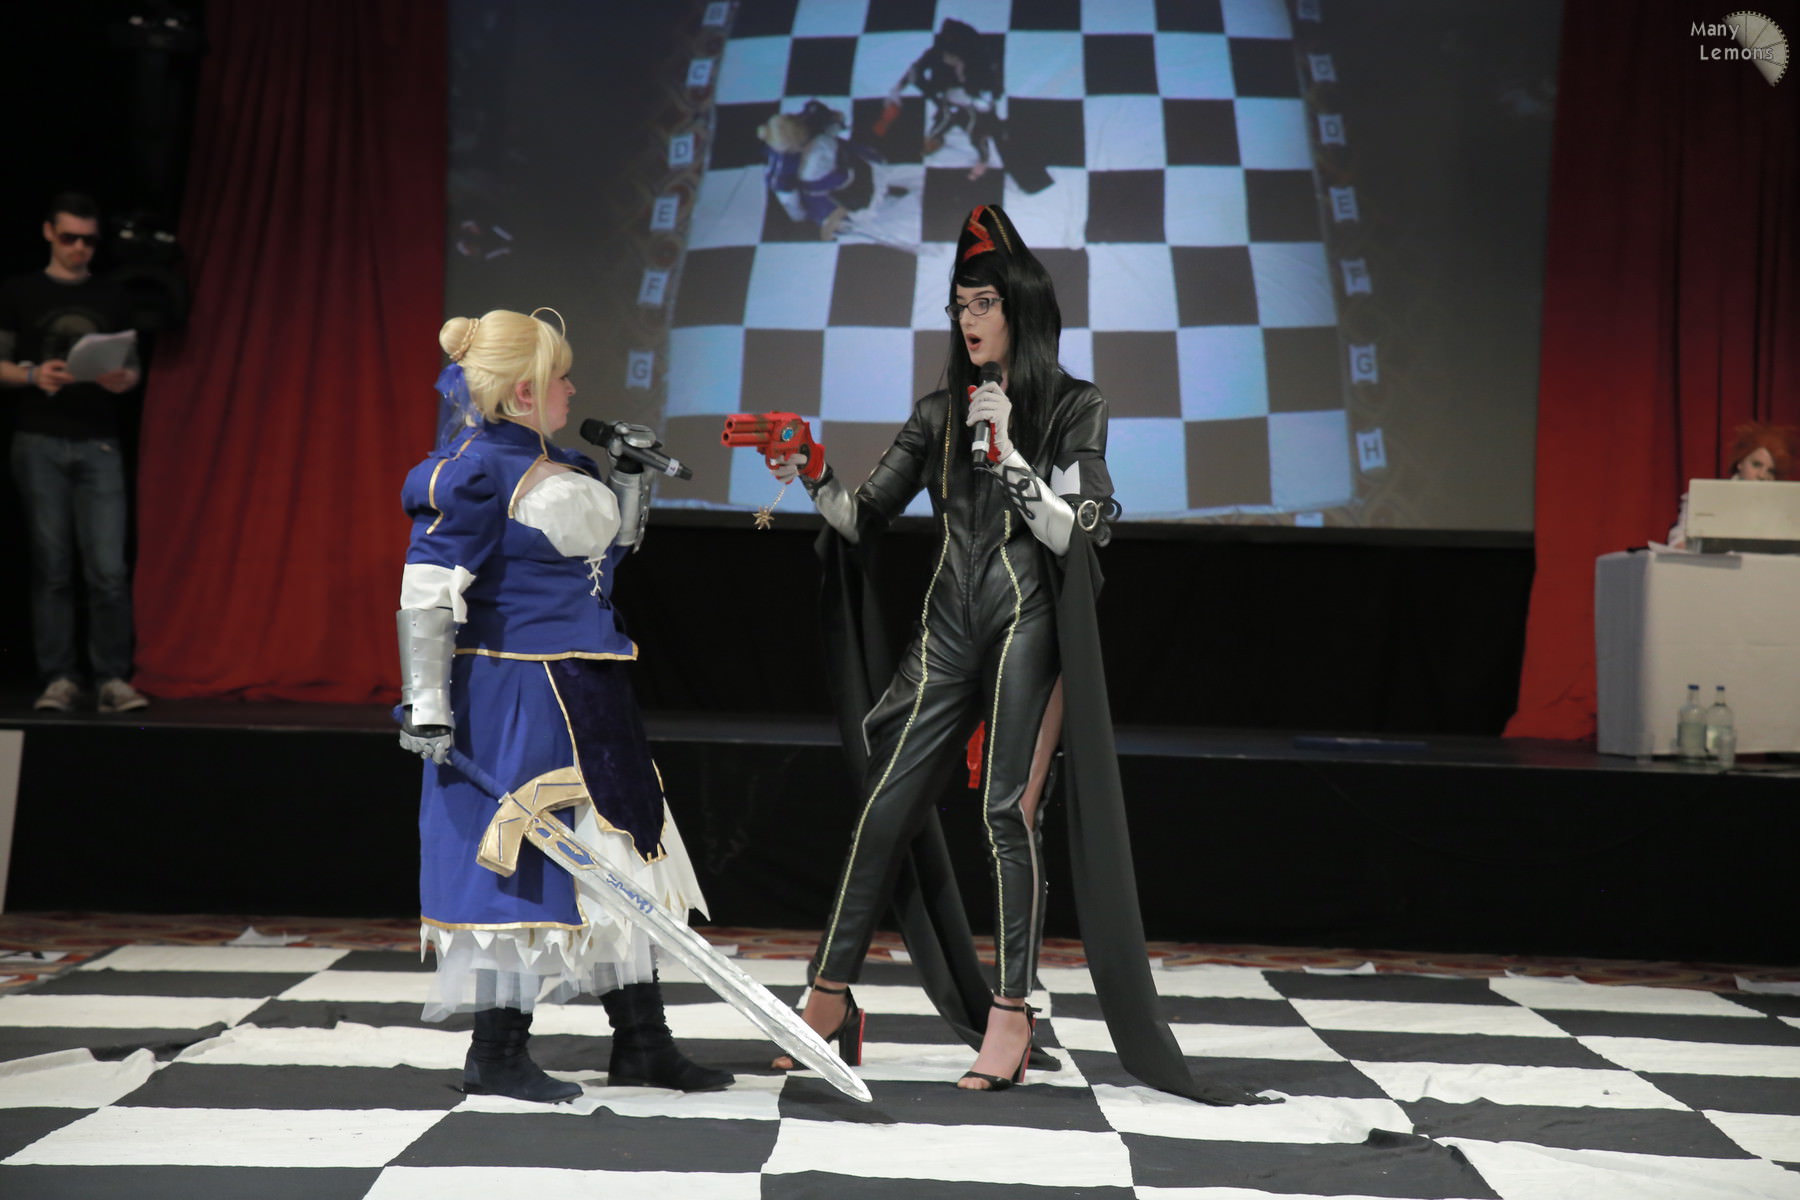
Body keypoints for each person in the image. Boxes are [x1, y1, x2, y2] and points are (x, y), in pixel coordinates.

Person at [766, 205, 1258, 1104]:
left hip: (1027, 621)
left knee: (1005, 814)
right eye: (960, 305)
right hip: (947, 627)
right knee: (883, 806)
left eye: (984, 303)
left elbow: (1082, 532)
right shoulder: (937, 414)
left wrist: (1010, 456)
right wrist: (811, 469)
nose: (969, 319)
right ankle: (829, 1000)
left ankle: (1012, 1012)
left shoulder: (1074, 406)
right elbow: (861, 519)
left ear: (1021, 309)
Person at [396, 308, 731, 1102]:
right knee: (522, 861)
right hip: (515, 694)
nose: (573, 389)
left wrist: (629, 477)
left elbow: (601, 561)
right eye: (561, 378)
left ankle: (643, 1042)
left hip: (593, 689)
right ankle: (497, 1052)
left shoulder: (564, 463)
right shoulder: (471, 472)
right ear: (523, 392)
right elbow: (428, 589)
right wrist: (427, 702)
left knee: (619, 854)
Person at [0, 193, 149, 713]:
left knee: (107, 570)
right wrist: (32, 375)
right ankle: (59, 676)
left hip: (98, 439)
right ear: (48, 232)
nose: (79, 248)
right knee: (53, 568)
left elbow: (131, 367)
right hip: (39, 438)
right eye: (69, 238)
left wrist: (124, 379)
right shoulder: (20, 291)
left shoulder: (111, 295)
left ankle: (112, 677)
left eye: (88, 240)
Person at [886, 18, 1004, 181]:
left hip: (973, 102)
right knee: (943, 121)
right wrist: (897, 90)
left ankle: (983, 158)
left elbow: (993, 86)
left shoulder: (978, 57)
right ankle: (937, 139)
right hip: (946, 99)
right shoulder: (936, 53)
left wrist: (965, 77)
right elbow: (915, 70)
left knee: (976, 131)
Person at [758, 100, 879, 240]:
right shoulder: (781, 172)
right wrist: (800, 215)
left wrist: (835, 125)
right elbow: (789, 200)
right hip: (824, 191)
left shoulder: (810, 122)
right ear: (791, 150)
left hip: (842, 163)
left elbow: (833, 118)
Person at [1666, 421, 1795, 547]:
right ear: (1740, 463)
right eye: (1756, 465)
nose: (1762, 475)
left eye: (1770, 471)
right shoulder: (1707, 496)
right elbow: (1678, 539)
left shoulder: (1781, 508)